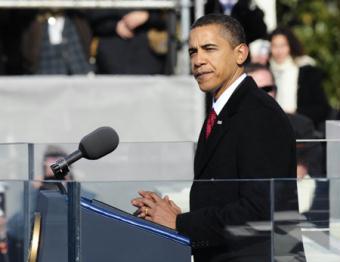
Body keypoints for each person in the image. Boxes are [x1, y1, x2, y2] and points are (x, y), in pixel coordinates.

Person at [132, 14, 301, 262]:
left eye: (209, 49)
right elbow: (226, 196)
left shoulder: (259, 113)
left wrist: (181, 223)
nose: (198, 60)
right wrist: (177, 217)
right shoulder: (223, 110)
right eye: (192, 52)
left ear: (240, 54)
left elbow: (260, 210)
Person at [269, 27, 331, 132]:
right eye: (274, 46)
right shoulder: (265, 72)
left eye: (283, 45)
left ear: (291, 46)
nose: (279, 51)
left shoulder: (306, 71)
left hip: (302, 131)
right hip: (274, 129)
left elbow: (322, 108)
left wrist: (295, 114)